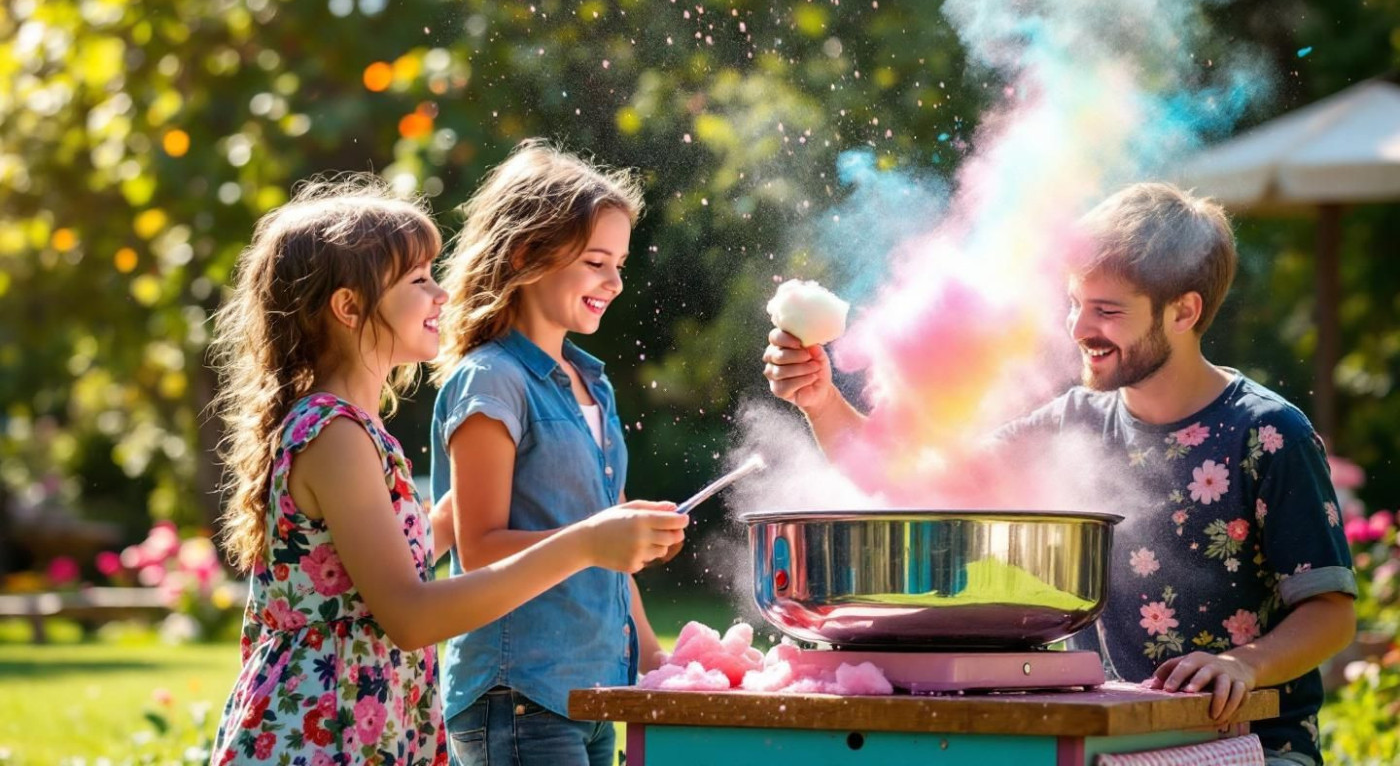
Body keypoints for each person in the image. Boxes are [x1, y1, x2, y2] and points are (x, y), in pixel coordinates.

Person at [762, 183, 1357, 766]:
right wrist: (820, 400)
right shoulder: (1073, 421)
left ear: (1184, 311)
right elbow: (911, 482)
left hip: (1255, 747)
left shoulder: (1268, 433)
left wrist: (1243, 663)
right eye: (1075, 302)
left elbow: (1331, 610)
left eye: (1107, 310)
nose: (1077, 328)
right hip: (1106, 743)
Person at [208, 175, 688, 765]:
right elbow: (410, 616)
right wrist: (584, 544)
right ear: (349, 307)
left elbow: (378, 568)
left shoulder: (356, 431)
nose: (441, 295)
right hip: (321, 733)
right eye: (418, 281)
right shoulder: (335, 435)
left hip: (362, 722)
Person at [429, 140, 677, 766]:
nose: (614, 283)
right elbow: (478, 545)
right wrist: (596, 537)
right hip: (517, 696)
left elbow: (609, 550)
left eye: (619, 264)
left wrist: (657, 663)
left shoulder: (592, 383)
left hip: (595, 693)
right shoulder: (491, 379)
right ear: (528, 253)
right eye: (596, 262)